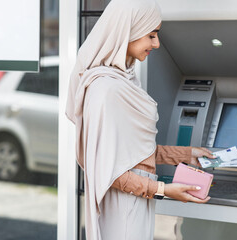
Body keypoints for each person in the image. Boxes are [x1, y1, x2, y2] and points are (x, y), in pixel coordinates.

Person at [65, 0, 214, 239]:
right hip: (123, 208)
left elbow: (133, 154)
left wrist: (186, 155)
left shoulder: (123, 81)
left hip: (137, 202)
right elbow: (107, 171)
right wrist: (163, 190)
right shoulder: (106, 89)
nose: (156, 44)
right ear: (128, 32)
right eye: (151, 35)